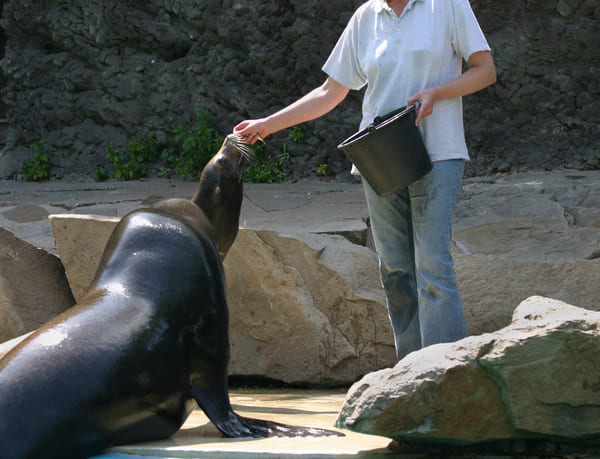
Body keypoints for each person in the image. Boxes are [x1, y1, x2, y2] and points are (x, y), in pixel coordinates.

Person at [233, 0, 496, 360]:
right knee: (395, 269)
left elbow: (485, 70)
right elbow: (330, 92)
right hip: (381, 157)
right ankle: (410, 374)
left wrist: (437, 92)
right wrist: (267, 125)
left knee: (432, 264)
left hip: (440, 150)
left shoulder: (447, 5)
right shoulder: (366, 17)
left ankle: (445, 373)